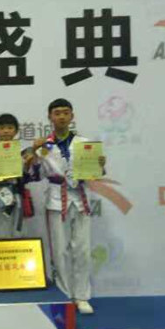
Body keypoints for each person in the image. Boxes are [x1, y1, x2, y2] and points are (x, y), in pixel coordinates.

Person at [29, 98, 106, 315]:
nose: (61, 116)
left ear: (72, 116)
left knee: (82, 249)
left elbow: (95, 173)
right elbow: (35, 175)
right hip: (56, 199)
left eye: (65, 112)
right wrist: (33, 154)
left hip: (80, 198)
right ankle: (64, 296)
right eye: (57, 113)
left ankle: (81, 296)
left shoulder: (84, 143)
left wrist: (100, 166)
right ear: (50, 117)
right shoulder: (44, 146)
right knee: (59, 250)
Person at [0, 113, 35, 239]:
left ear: (16, 131)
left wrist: (27, 165)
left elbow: (28, 178)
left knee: (17, 232)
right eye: (2, 128)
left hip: (16, 194)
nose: (6, 131)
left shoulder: (22, 153)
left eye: (10, 128)